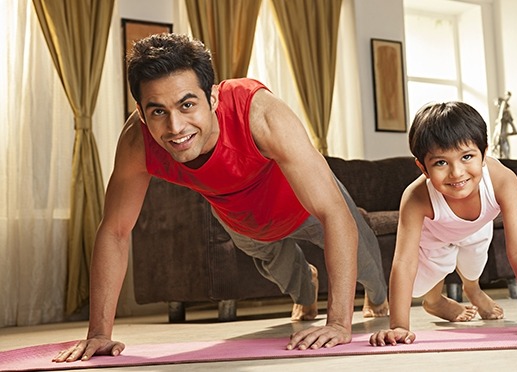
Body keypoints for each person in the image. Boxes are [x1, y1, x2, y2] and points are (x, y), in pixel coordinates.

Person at [54, 33, 389, 363]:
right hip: (241, 220)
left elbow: (333, 212)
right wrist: (99, 333)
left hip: (305, 205)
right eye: (157, 112)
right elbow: (114, 231)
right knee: (284, 271)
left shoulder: (260, 113)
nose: (175, 127)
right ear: (141, 113)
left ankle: (378, 300)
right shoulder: (137, 143)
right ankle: (307, 290)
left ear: (212, 98)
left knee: (368, 264)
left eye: (187, 105)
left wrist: (339, 323)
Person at [369, 101, 517, 347]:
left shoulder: (503, 180)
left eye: (467, 157)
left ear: (484, 154)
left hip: (477, 228)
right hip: (434, 236)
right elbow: (404, 261)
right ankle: (434, 301)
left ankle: (473, 290)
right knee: (420, 285)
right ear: (422, 167)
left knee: (473, 268)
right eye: (440, 163)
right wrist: (399, 327)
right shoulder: (415, 198)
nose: (457, 173)